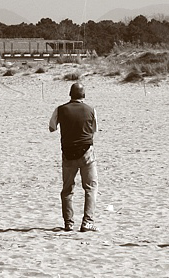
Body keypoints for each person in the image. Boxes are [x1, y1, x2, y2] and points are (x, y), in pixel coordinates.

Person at [48, 82, 98, 232]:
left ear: (70, 94)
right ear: (83, 95)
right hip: (86, 152)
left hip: (68, 153)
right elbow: (94, 130)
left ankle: (68, 223)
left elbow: (51, 127)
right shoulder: (91, 110)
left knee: (67, 190)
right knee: (90, 188)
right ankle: (87, 222)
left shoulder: (60, 109)